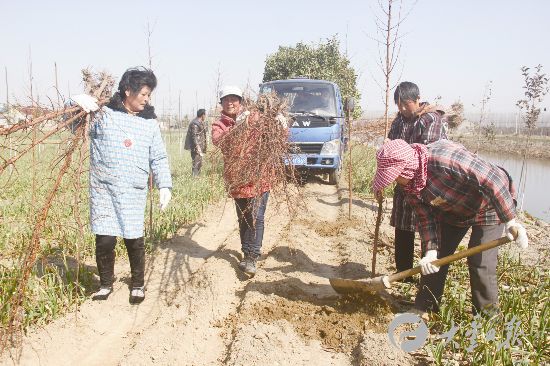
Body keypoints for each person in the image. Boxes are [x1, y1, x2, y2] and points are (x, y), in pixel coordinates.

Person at [372, 139, 528, 315]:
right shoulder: (409, 187)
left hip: (490, 204)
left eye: (395, 175)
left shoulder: (445, 160)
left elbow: (493, 181)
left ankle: (487, 316)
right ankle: (426, 307)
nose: (394, 180)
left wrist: (510, 220)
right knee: (435, 260)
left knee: (481, 262)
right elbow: (425, 219)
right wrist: (431, 251)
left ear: (406, 167)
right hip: (454, 210)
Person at [70, 67, 172, 304]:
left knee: (133, 239)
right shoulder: (102, 115)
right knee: (105, 239)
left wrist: (164, 184)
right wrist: (77, 104)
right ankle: (105, 284)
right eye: (144, 94)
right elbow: (73, 124)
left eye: (149, 95)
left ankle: (137, 284)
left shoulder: (149, 124)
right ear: (128, 91)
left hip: (132, 191)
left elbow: (158, 157)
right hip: (104, 189)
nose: (147, 99)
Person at [387, 81, 448, 276]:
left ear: (417, 100)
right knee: (403, 229)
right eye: (399, 104)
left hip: (425, 184)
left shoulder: (430, 119)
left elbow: (427, 153)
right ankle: (403, 274)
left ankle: (427, 276)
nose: (403, 108)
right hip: (402, 182)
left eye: (407, 104)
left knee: (427, 228)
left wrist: (403, 162)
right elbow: (390, 147)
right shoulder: (398, 121)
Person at [211, 85, 270, 276]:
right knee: (243, 217)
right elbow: (220, 142)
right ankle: (246, 253)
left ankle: (252, 257)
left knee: (256, 216)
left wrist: (281, 124)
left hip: (259, 176)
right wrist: (238, 127)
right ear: (221, 104)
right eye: (226, 99)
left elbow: (271, 136)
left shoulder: (254, 117)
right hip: (237, 179)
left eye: (234, 99)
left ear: (241, 102)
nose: (230, 103)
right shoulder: (219, 125)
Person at [185, 108, 207, 176]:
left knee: (199, 163)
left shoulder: (199, 123)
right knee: (196, 163)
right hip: (196, 148)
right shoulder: (195, 124)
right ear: (202, 115)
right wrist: (198, 147)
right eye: (205, 115)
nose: (205, 116)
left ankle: (198, 177)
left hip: (199, 146)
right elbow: (194, 136)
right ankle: (195, 179)